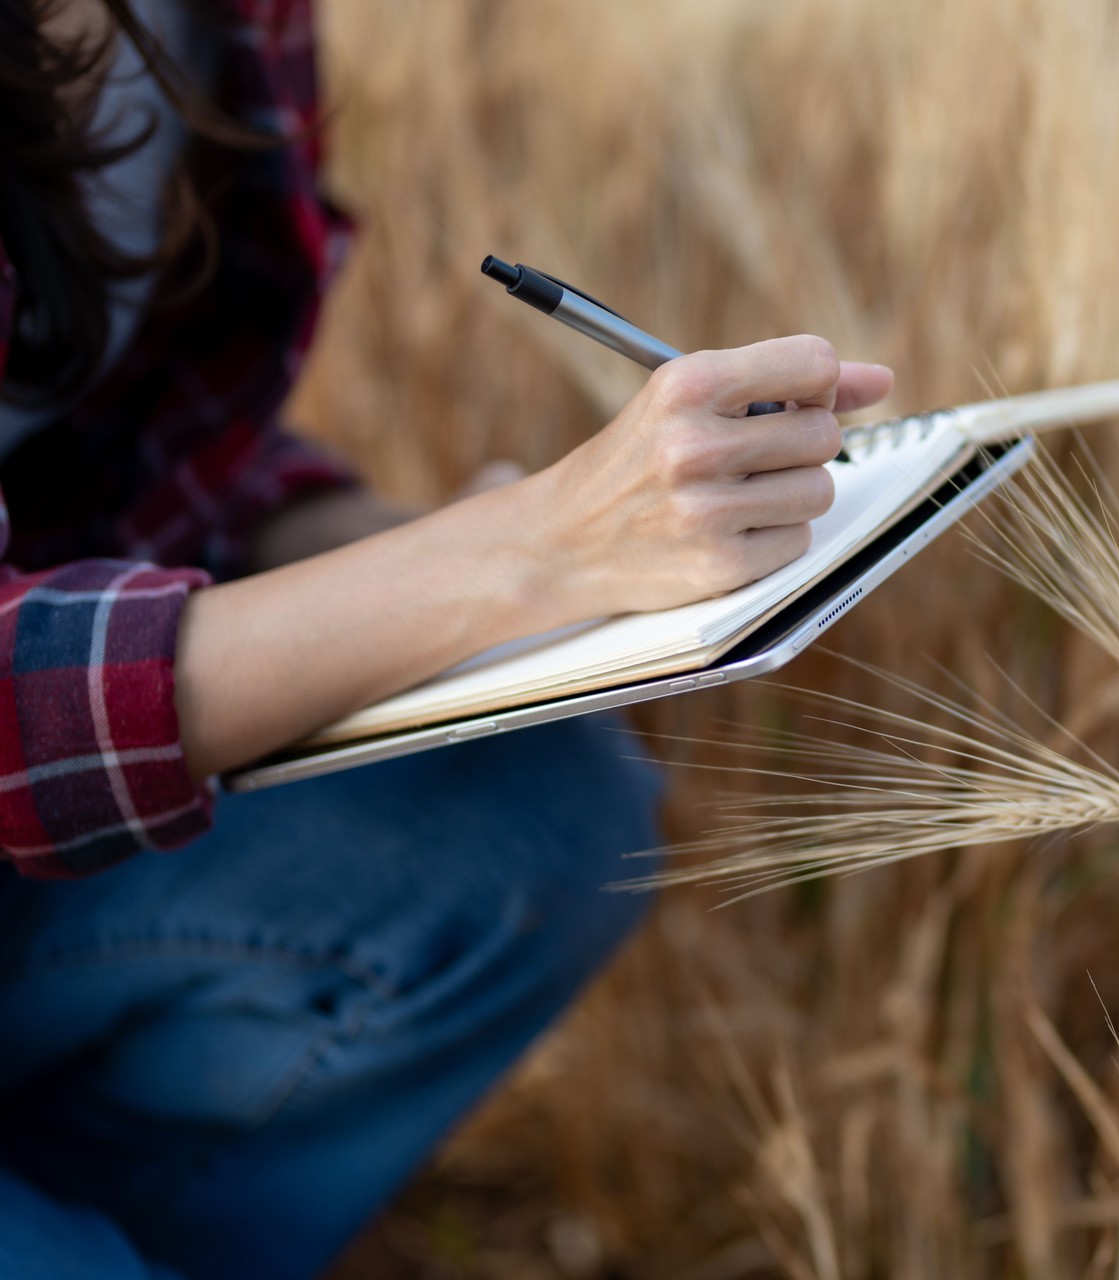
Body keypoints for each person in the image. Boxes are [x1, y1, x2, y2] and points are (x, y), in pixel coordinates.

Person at [0, 1, 893, 1275]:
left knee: (523, 816)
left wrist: (406, 544)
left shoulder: (228, 28)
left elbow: (138, 456)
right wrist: (519, 553)